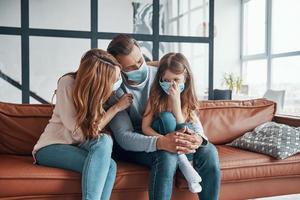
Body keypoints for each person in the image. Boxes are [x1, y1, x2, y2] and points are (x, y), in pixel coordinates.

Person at [107, 34, 221, 200]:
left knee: (208, 150)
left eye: (140, 60)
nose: (139, 67)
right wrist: (161, 142)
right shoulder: (115, 90)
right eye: (130, 67)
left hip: (175, 132)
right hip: (138, 141)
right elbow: (124, 137)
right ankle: (182, 161)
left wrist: (199, 137)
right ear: (118, 68)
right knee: (166, 155)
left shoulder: (163, 76)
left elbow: (188, 111)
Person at [32, 49, 133, 200]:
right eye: (115, 79)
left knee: (110, 163)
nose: (117, 82)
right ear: (100, 79)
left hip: (78, 146)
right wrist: (116, 108)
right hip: (51, 147)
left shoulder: (98, 92)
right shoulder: (67, 83)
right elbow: (79, 134)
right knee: (105, 151)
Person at [142, 52, 206, 193]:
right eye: (166, 80)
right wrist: (164, 140)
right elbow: (145, 127)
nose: (172, 85)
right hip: (159, 132)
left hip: (180, 141)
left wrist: (176, 105)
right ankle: (185, 163)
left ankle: (185, 161)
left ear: (186, 78)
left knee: (205, 147)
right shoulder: (155, 97)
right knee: (166, 118)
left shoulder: (188, 99)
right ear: (160, 80)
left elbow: (195, 128)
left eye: (176, 80)